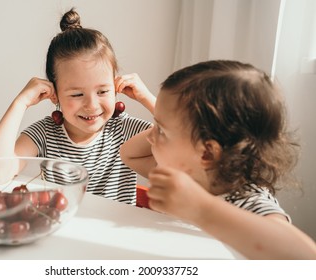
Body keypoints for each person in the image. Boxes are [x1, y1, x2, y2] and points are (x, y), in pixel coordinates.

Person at [120, 60, 316, 259]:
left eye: (160, 130)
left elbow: (306, 257)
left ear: (207, 153)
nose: (150, 136)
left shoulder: (244, 198)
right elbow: (129, 154)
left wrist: (200, 208)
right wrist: (161, 115)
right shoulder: (190, 175)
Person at [0, 8, 155, 205]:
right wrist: (19, 103)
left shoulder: (124, 129)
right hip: (59, 230)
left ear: (116, 87)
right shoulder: (45, 133)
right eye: (77, 94)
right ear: (54, 94)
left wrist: (147, 98)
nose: (92, 105)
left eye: (103, 92)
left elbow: (184, 142)